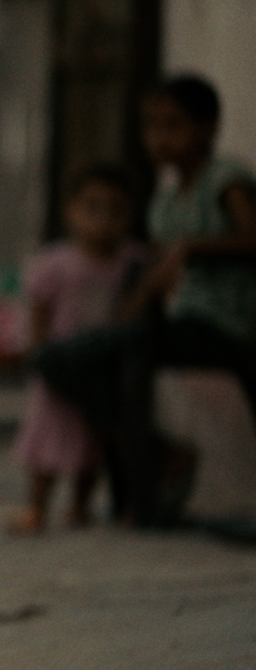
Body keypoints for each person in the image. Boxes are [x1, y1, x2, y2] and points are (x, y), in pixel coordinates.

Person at [37, 75, 256, 525]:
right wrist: (131, 311)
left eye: (173, 124)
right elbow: (157, 281)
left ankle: (145, 495)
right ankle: (151, 470)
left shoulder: (225, 179)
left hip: (231, 323)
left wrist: (193, 248)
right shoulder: (162, 204)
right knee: (73, 361)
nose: (160, 138)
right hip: (185, 323)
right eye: (151, 126)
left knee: (126, 353)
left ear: (208, 128)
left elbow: (252, 238)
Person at [10, 170, 144, 533]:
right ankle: (37, 506)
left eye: (115, 210)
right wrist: (39, 353)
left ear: (130, 215)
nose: (103, 219)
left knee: (89, 442)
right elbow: (39, 307)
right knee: (48, 436)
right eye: (92, 208)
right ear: (72, 211)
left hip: (100, 367)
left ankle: (80, 506)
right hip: (61, 364)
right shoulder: (57, 261)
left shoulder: (130, 261)